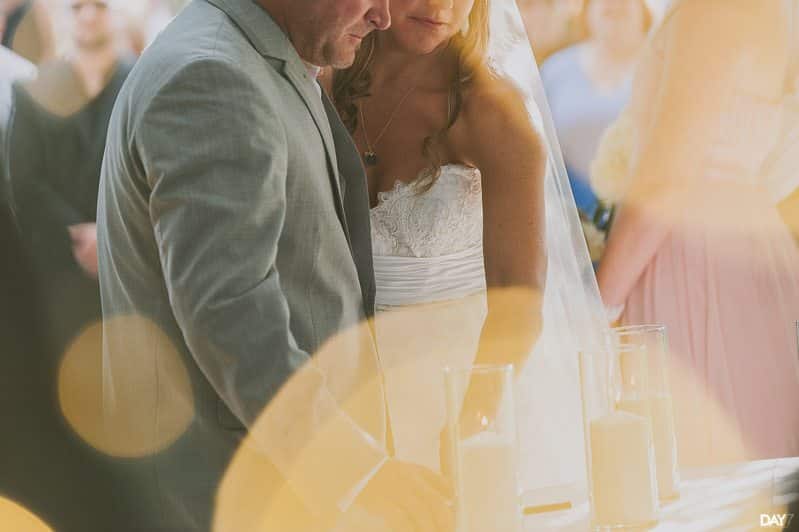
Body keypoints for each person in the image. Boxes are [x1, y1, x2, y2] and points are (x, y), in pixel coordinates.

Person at [97, 0, 453, 530]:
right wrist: (358, 472)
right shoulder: (213, 77)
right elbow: (230, 315)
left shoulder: (254, 57)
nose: (383, 15)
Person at [596, 0, 799, 466]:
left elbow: (667, 177)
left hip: (693, 258)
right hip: (744, 246)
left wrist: (598, 306)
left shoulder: (712, 11)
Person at [541, 0, 650, 229]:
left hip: (640, 217)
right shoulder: (555, 70)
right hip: (567, 217)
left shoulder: (660, 69)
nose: (614, 4)